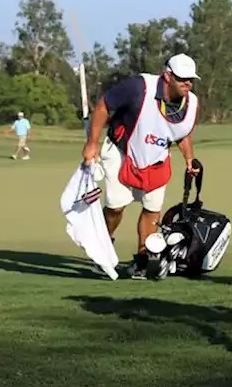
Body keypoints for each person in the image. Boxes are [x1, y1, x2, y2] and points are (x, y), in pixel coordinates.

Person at [81, 54, 201, 279]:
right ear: (167, 76)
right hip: (121, 150)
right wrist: (92, 143)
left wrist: (188, 158)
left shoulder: (190, 102)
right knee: (116, 206)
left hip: (155, 158)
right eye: (182, 79)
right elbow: (103, 106)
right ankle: (102, 250)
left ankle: (142, 260)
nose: (188, 84)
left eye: (190, 80)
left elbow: (182, 133)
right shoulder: (139, 87)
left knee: (152, 208)